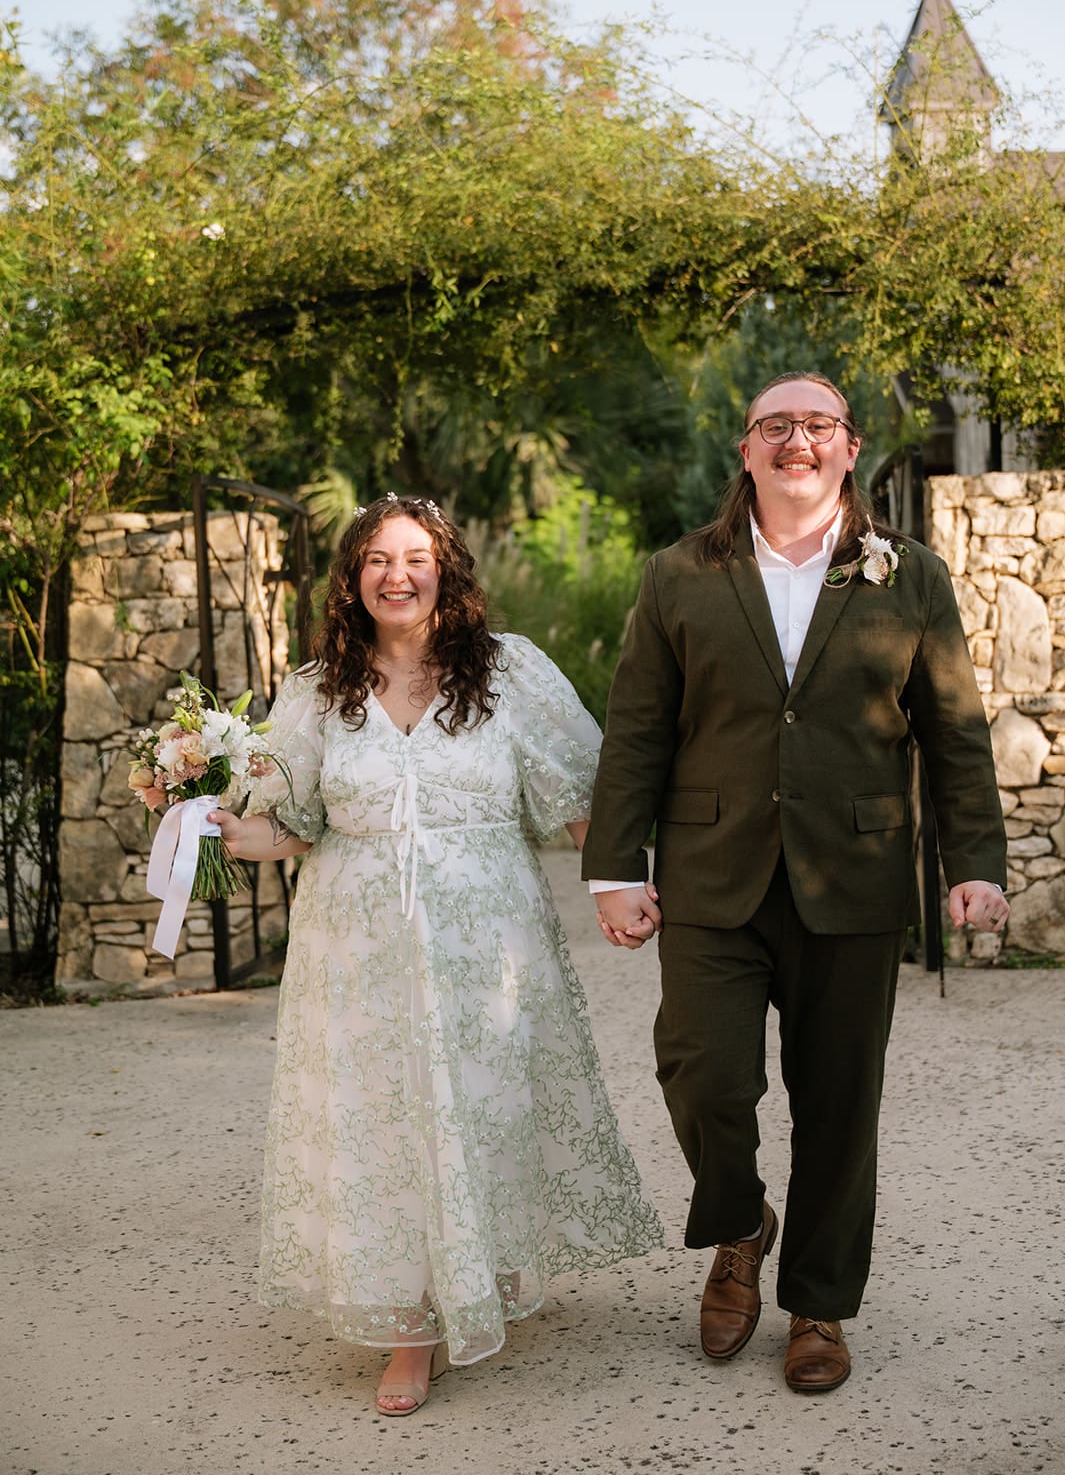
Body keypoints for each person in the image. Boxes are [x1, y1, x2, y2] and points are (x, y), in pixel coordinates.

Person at [582, 371, 1008, 1393]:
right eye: (776, 426)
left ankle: (819, 1302)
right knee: (703, 1073)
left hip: (855, 875)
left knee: (839, 1102)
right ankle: (738, 1223)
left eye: (817, 425)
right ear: (746, 449)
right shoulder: (680, 574)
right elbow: (640, 727)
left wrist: (975, 865)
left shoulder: (909, 575)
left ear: (850, 447)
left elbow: (953, 730)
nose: (797, 441)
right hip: (710, 874)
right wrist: (613, 868)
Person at [210, 494, 662, 1417]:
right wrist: (207, 818)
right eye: (376, 559)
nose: (396, 575)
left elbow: (584, 794)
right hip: (356, 947)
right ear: (352, 579)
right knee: (381, 1119)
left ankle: (468, 1275)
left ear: (445, 570)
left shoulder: (508, 674)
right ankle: (409, 1327)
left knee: (477, 1107)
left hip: (487, 943)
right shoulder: (313, 689)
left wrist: (622, 883)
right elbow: (287, 826)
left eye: (413, 557)